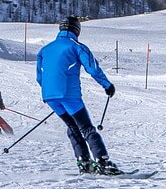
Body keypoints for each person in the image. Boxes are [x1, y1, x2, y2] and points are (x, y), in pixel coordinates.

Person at [36, 15, 119, 175]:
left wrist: (52, 93)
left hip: (50, 96)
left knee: (72, 127)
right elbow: (93, 68)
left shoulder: (44, 49)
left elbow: (40, 77)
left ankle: (83, 161)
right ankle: (102, 161)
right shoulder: (76, 46)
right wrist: (107, 85)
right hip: (69, 95)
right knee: (87, 128)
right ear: (77, 30)